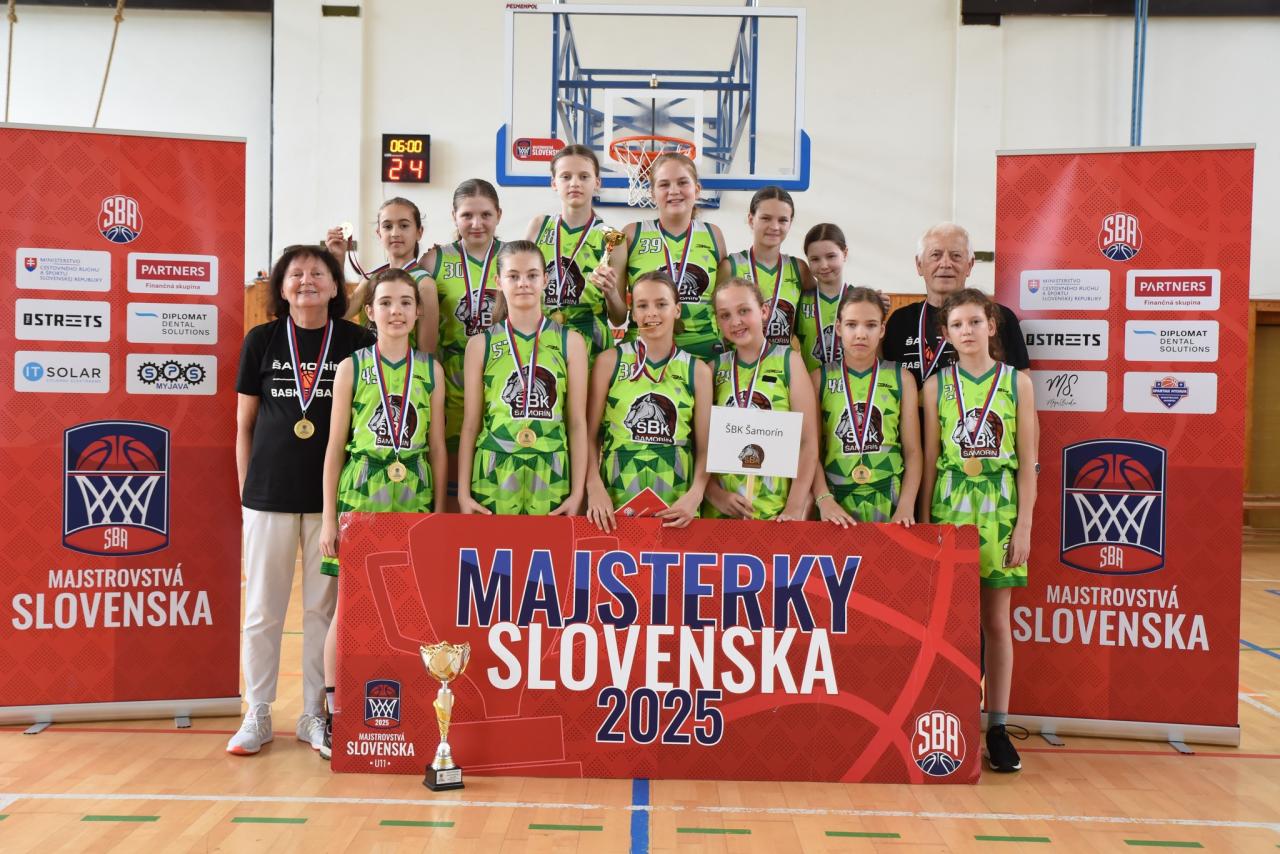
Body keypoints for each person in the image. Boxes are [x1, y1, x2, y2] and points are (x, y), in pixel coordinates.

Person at [231, 244, 372, 756]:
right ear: (282, 286)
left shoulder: (357, 342)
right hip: (267, 496)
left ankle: (314, 713)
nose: (307, 281)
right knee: (262, 609)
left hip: (330, 501)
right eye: (296, 274)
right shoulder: (262, 340)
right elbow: (244, 425)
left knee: (321, 611)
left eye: (318, 273)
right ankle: (258, 712)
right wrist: (247, 493)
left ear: (336, 287)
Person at [316, 268, 446, 759]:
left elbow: (437, 448)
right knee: (348, 607)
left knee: (410, 609)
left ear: (418, 312)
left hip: (413, 494)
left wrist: (438, 512)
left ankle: (408, 706)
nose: (396, 311)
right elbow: (334, 448)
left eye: (405, 302)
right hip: (362, 495)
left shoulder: (431, 370)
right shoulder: (351, 367)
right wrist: (329, 518)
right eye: (386, 302)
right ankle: (336, 712)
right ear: (369, 312)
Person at [920, 287, 1037, 773]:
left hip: (999, 511)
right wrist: (924, 524)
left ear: (991, 325)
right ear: (945, 335)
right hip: (950, 509)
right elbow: (929, 461)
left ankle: (998, 727)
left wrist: (1024, 525)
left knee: (995, 622)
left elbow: (1028, 463)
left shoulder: (1017, 383)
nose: (966, 331)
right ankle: (952, 718)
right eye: (956, 325)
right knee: (950, 624)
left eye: (974, 322)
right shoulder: (935, 386)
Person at [457, 240, 588, 516]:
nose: (523, 283)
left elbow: (577, 423)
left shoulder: (571, 342)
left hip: (552, 468)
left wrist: (577, 493)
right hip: (493, 468)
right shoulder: (480, 344)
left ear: (545, 280)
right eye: (513, 276)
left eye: (532, 275)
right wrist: (462, 494)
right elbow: (470, 424)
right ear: (498, 282)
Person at [585, 270, 712, 532]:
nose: (651, 313)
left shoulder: (697, 371)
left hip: (677, 505)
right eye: (642, 306)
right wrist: (593, 486)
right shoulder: (609, 362)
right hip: (615, 501)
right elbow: (588, 435)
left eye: (661, 304)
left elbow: (706, 447)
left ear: (677, 310)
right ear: (632, 313)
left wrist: (696, 494)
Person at [416, 179, 503, 502]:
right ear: (454, 216)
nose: (476, 223)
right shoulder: (434, 260)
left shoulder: (513, 256)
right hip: (451, 373)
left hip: (500, 371)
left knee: (496, 455)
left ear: (499, 215)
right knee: (450, 462)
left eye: (485, 215)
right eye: (467, 215)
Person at [703, 276, 817, 520]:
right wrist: (715, 495)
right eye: (725, 315)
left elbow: (808, 442)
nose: (735, 321)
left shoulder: (789, 361)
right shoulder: (713, 369)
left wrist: (794, 507)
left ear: (764, 311)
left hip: (776, 512)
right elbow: (700, 444)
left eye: (744, 310)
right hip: (721, 514)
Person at [811, 287, 921, 527]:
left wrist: (906, 504)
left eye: (870, 325)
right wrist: (823, 498)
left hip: (890, 497)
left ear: (882, 330)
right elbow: (810, 449)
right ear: (838, 328)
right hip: (835, 500)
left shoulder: (901, 378)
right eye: (851, 325)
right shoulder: (819, 379)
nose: (860, 334)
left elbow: (913, 452)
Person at [884, 222, 1029, 386]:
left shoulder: (999, 317)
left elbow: (1021, 386)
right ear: (919, 265)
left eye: (956, 256)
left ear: (970, 265)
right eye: (936, 255)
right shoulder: (900, 321)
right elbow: (882, 381)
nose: (946, 264)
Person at [618, 153, 728, 361]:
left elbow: (724, 303)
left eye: (683, 182)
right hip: (644, 349)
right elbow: (617, 316)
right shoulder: (632, 234)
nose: (674, 190)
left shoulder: (713, 234)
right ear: (652, 193)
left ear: (697, 189)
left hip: (704, 350)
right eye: (664, 184)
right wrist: (608, 290)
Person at [525, 144, 627, 359]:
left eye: (584, 176)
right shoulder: (539, 226)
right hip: (542, 338)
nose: (575, 183)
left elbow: (618, 318)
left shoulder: (612, 238)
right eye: (566, 176)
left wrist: (610, 292)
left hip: (592, 344)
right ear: (554, 183)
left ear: (597, 182)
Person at [325, 197, 439, 351]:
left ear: (419, 232)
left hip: (404, 365)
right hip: (368, 363)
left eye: (404, 225)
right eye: (387, 226)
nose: (395, 233)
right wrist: (338, 259)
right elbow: (340, 314)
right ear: (379, 233)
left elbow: (427, 352)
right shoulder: (372, 278)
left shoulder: (424, 284)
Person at [718, 186, 811, 349]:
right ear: (751, 220)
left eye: (782, 220)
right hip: (738, 362)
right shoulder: (730, 267)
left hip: (782, 363)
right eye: (766, 218)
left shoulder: (799, 269)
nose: (774, 226)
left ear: (790, 223)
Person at [798, 223, 853, 373]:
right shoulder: (800, 302)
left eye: (831, 256)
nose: (824, 265)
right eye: (815, 259)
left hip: (852, 385)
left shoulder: (861, 300)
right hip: (810, 384)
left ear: (845, 253)